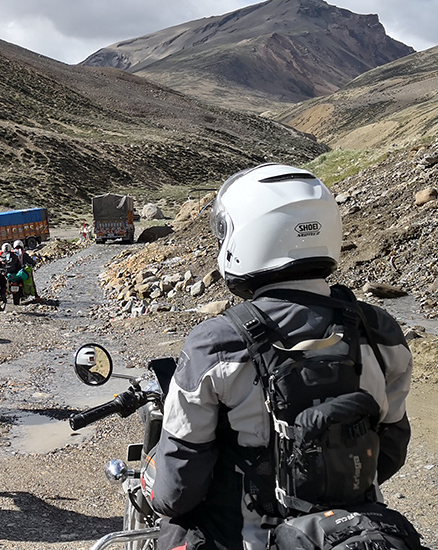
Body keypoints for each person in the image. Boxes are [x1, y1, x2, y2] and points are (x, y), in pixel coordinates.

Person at [149, 163, 414, 550]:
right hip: (352, 533)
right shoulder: (379, 330)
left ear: (248, 235)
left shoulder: (218, 342)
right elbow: (389, 450)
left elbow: (177, 490)